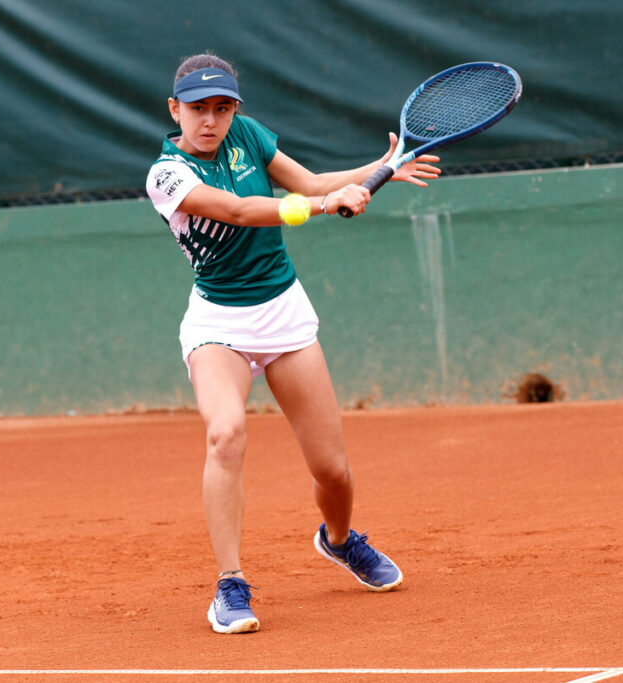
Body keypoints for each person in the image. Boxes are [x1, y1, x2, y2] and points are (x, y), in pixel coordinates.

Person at [145, 53, 441, 634]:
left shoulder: (249, 136)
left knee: (332, 470)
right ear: (174, 109)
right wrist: (320, 206)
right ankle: (230, 585)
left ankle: (338, 541)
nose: (211, 119)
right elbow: (236, 209)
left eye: (223, 108)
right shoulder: (167, 174)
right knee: (225, 434)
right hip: (217, 323)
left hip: (283, 314)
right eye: (198, 108)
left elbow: (308, 183)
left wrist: (375, 169)